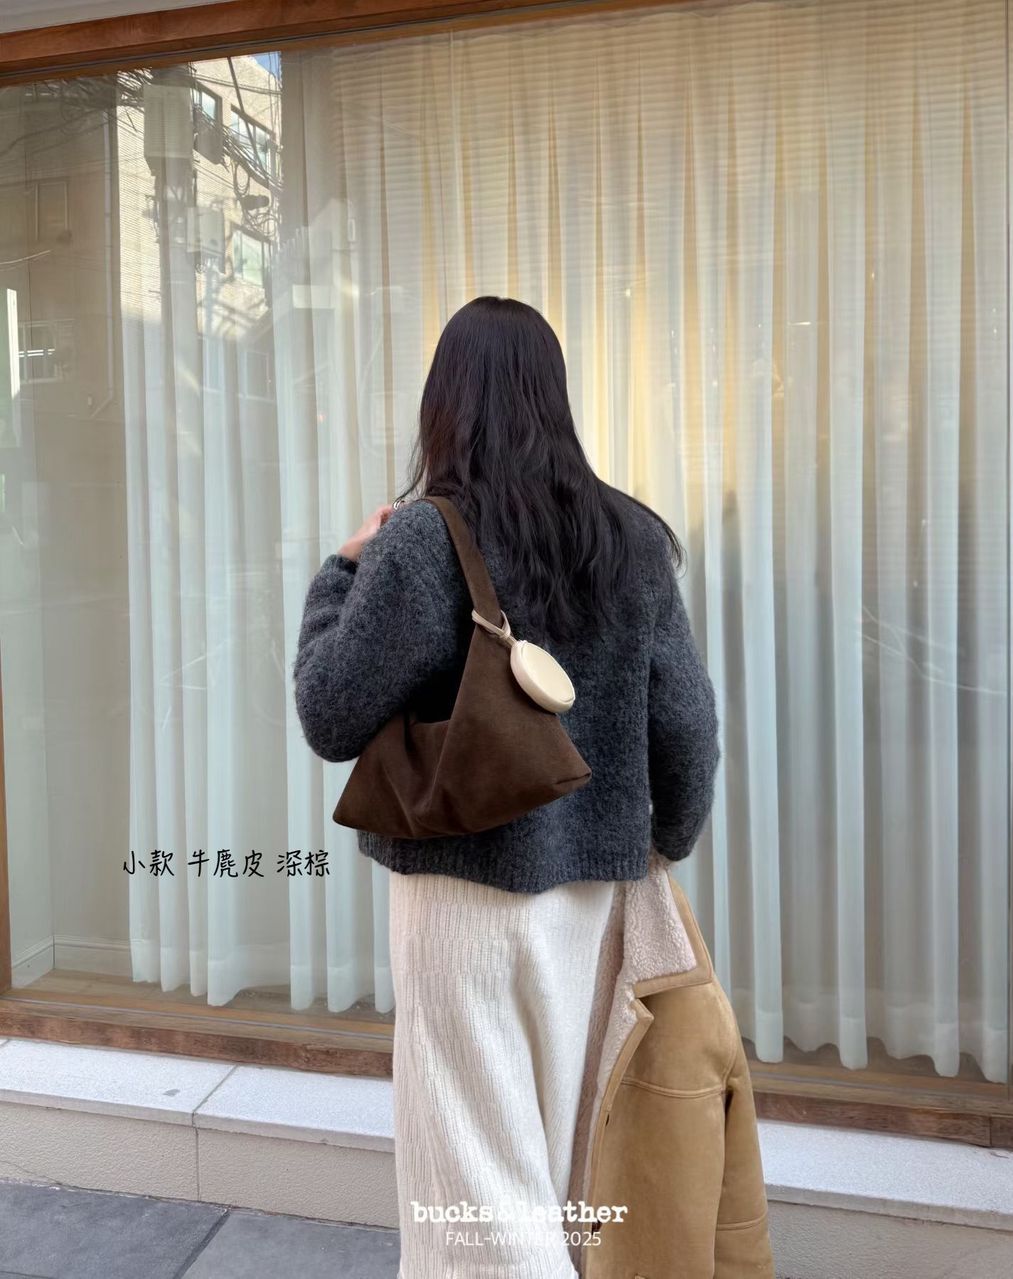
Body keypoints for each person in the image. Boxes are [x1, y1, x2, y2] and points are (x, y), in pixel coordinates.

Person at [292, 295, 721, 1279]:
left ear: (444, 406)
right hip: (594, 900)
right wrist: (662, 842)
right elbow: (687, 725)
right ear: (553, 399)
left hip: (458, 903)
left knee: (476, 1203)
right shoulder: (631, 538)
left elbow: (329, 711)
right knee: (563, 1176)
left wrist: (340, 570)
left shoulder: (421, 542)